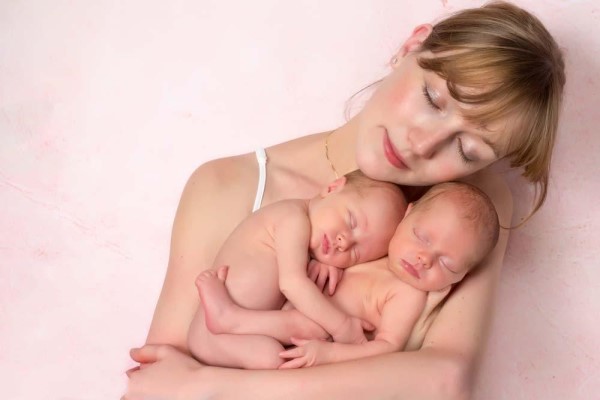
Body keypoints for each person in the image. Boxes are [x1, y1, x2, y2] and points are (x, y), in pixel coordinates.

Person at [124, 2, 565, 399]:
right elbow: (154, 386)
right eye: (433, 99)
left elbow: (447, 381)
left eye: (467, 150)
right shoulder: (229, 185)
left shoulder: (467, 213)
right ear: (411, 46)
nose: (422, 144)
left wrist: (210, 386)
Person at [196, 181, 499, 369]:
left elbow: (388, 346)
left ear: (460, 278)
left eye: (446, 264)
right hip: (282, 314)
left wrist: (328, 354)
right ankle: (228, 322)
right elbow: (339, 249)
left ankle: (231, 320)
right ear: (406, 217)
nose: (424, 259)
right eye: (421, 237)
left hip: (309, 336)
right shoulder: (377, 248)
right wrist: (327, 262)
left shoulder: (408, 293)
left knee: (282, 350)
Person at [187, 170, 407, 369]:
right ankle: (228, 316)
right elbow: (292, 284)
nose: (344, 241)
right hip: (212, 336)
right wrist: (342, 326)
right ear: (332, 188)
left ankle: (232, 319)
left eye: (355, 252)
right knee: (274, 358)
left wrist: (321, 261)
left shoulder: (310, 237)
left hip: (239, 333)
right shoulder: (292, 218)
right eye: (351, 221)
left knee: (309, 333)